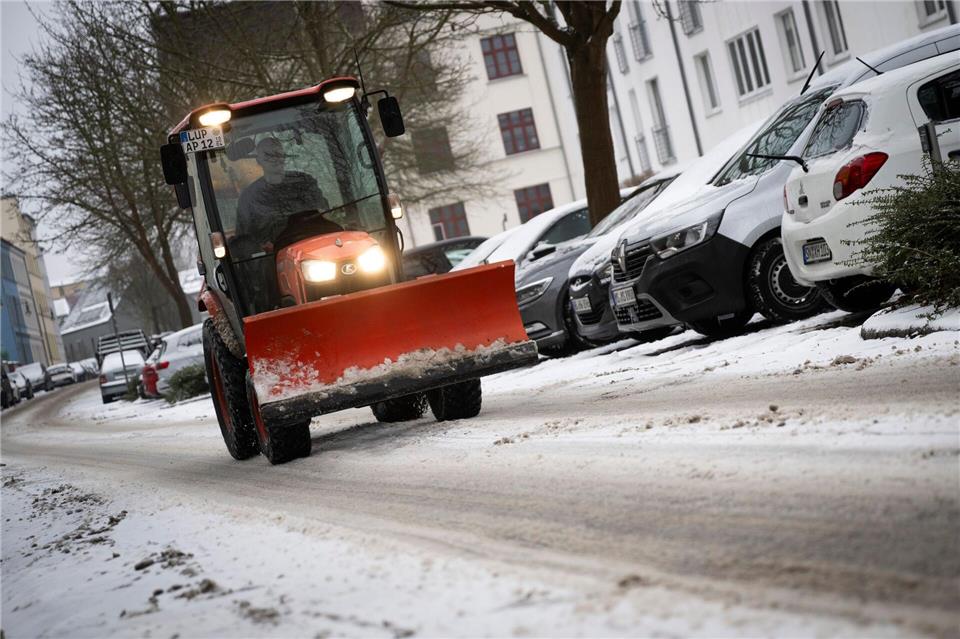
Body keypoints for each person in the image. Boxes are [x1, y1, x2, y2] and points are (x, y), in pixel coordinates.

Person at [235, 137, 330, 254]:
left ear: (284, 157)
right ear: (258, 160)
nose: (275, 159)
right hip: (272, 256)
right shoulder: (249, 197)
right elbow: (244, 238)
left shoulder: (304, 183)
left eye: (278, 154)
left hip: (314, 247)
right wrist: (261, 246)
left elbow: (324, 213)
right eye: (268, 155)